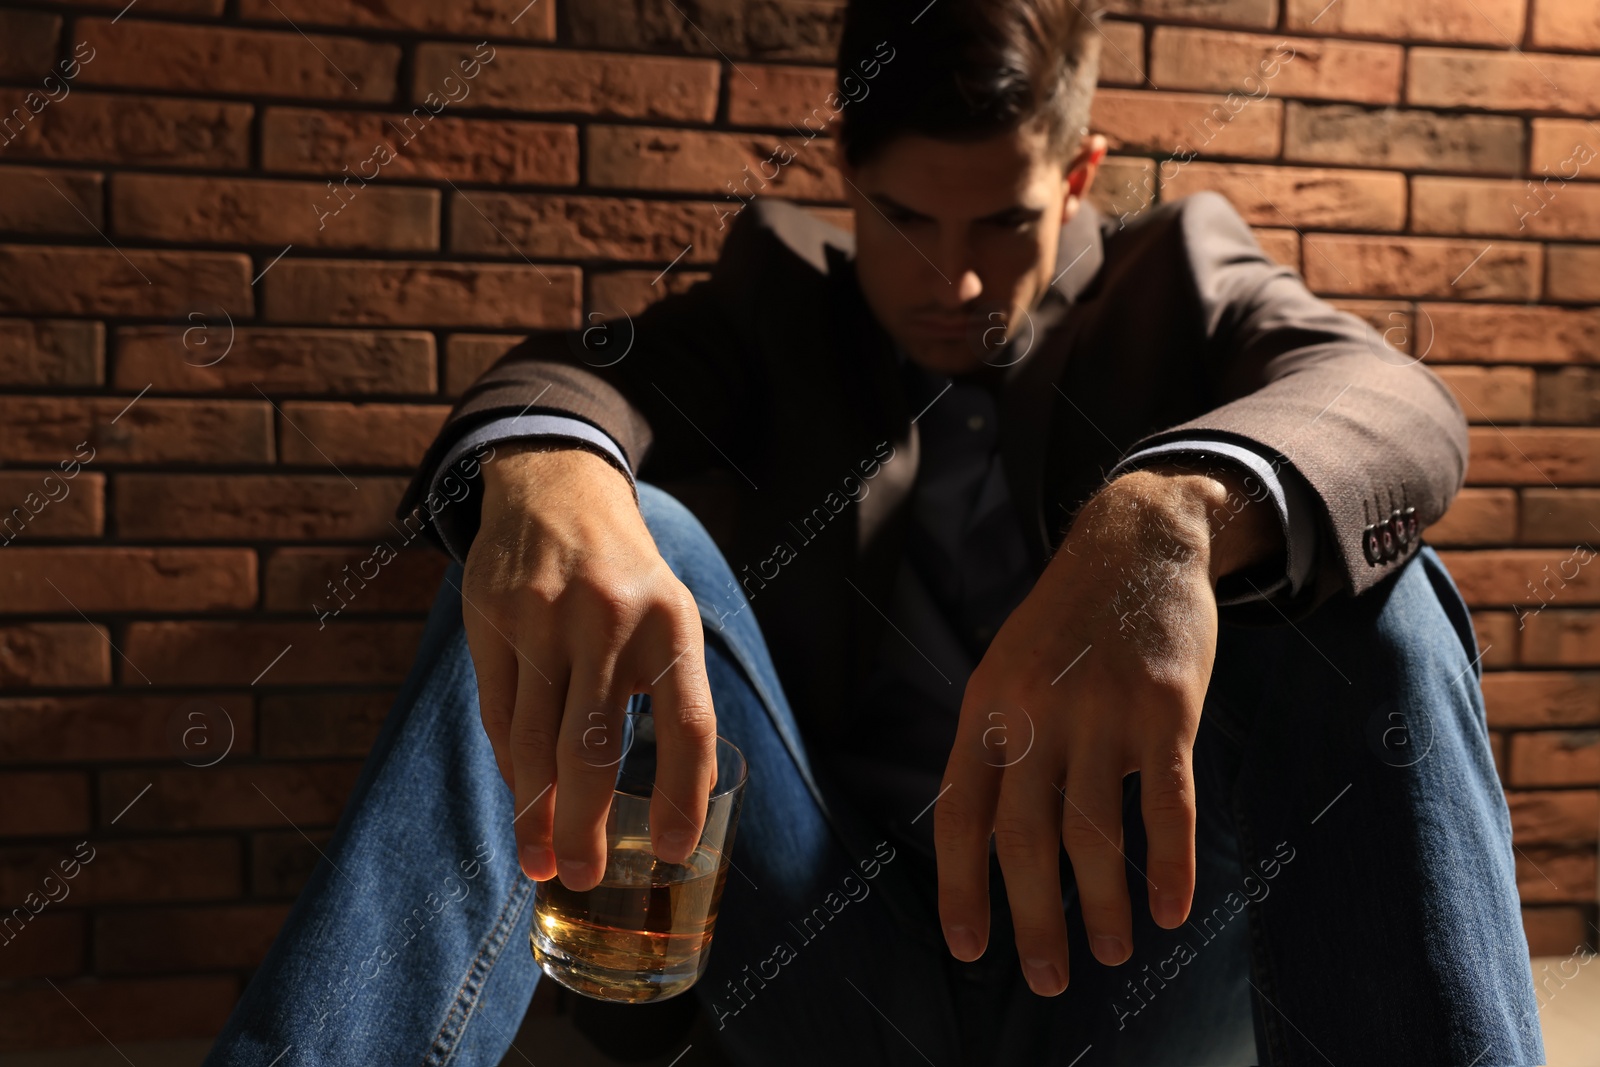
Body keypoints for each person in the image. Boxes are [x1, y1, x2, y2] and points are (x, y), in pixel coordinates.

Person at [206, 0, 1545, 1063]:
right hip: (831, 958)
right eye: (906, 221)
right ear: (846, 174)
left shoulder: (1180, 277)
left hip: (1119, 963)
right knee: (599, 530)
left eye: (1005, 225)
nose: (956, 280)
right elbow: (565, 380)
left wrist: (1172, 515)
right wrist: (546, 467)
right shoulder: (779, 310)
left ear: (1080, 174)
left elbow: (1395, 406)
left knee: (1380, 602)